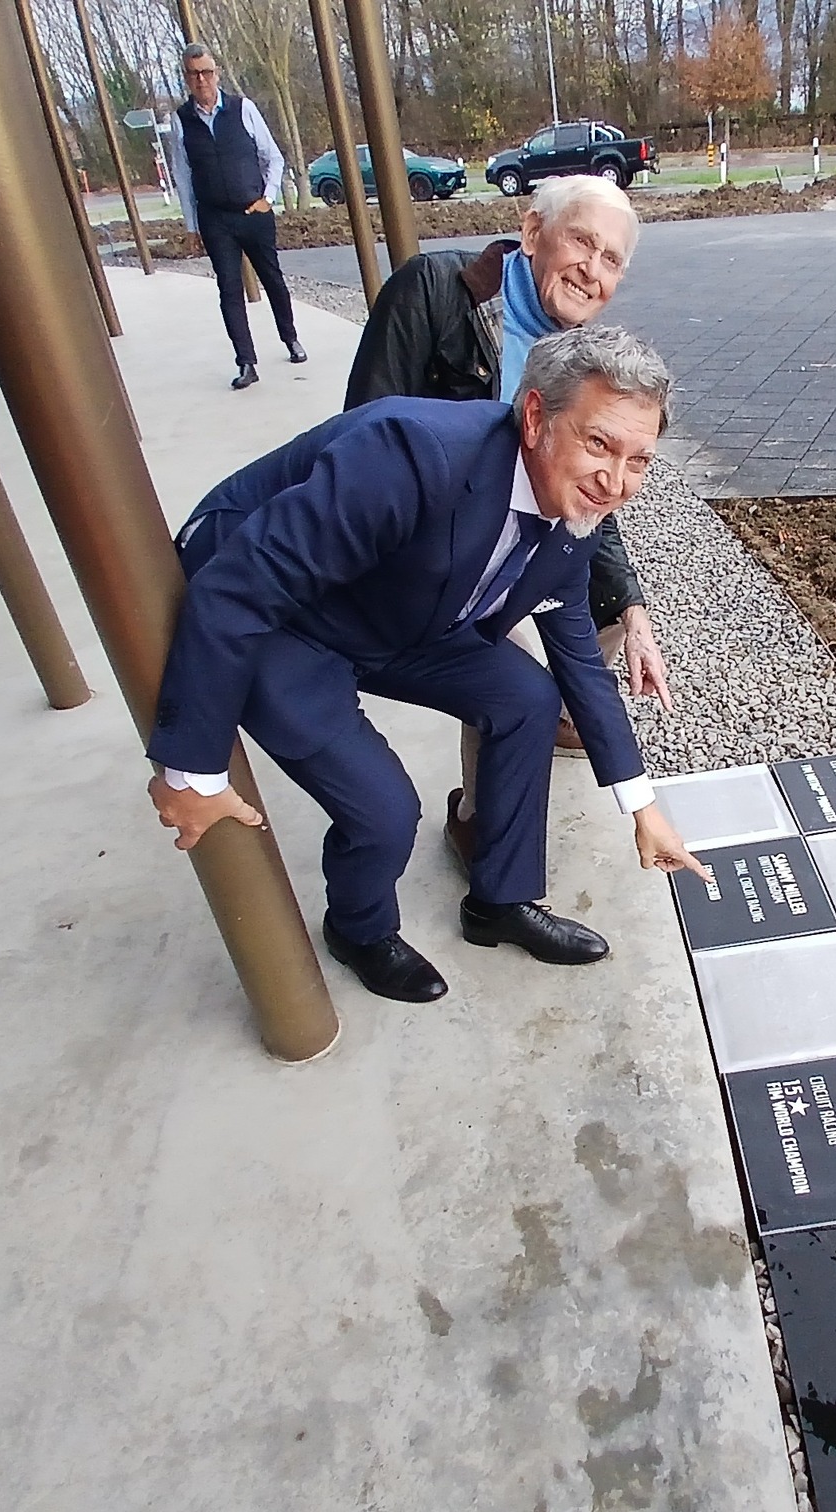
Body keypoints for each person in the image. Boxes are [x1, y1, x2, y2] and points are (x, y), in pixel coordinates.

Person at [147, 326, 705, 1005]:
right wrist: (190, 771)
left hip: (404, 605)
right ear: (535, 418)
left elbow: (580, 658)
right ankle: (359, 930)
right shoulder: (413, 453)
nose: (615, 482)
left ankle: (499, 901)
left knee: (527, 698)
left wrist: (643, 808)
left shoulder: (576, 510)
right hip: (286, 615)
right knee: (385, 810)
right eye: (598, 444)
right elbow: (237, 589)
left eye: (638, 461)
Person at [344, 175, 669, 866]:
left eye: (612, 259)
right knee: (510, 663)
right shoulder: (437, 292)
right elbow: (363, 434)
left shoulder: (583, 359)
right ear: (531, 232)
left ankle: (563, 716)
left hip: (521, 529)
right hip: (437, 547)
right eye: (581, 241)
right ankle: (478, 818)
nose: (592, 269)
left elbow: (589, 498)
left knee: (607, 609)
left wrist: (633, 608)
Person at [165, 43, 305, 391]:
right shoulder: (181, 121)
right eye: (193, 74)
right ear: (186, 78)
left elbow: (273, 157)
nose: (201, 80)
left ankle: (291, 338)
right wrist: (192, 226)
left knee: (273, 279)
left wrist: (268, 198)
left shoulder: (243, 109)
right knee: (229, 289)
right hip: (215, 218)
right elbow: (183, 175)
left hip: (253, 212)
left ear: (217, 74)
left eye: (206, 72)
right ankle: (246, 362)